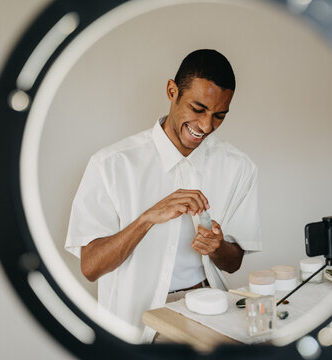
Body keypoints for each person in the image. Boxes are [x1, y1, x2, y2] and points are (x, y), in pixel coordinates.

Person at [65, 49, 261, 343]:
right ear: (172, 91)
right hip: (137, 319)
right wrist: (146, 218)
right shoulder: (111, 164)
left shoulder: (238, 167)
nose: (206, 126)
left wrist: (217, 247)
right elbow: (90, 267)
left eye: (219, 116)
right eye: (198, 109)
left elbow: (233, 263)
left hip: (210, 310)